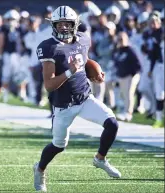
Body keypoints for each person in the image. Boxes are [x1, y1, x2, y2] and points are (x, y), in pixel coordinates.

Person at [34, 6, 121, 192]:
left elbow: (84, 58)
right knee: (58, 145)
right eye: (60, 24)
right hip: (63, 105)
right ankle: (40, 169)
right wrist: (70, 71)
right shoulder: (49, 47)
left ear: (75, 25)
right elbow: (49, 85)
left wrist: (95, 69)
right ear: (54, 25)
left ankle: (100, 159)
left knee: (112, 123)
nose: (64, 27)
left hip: (84, 97)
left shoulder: (83, 39)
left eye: (67, 24)